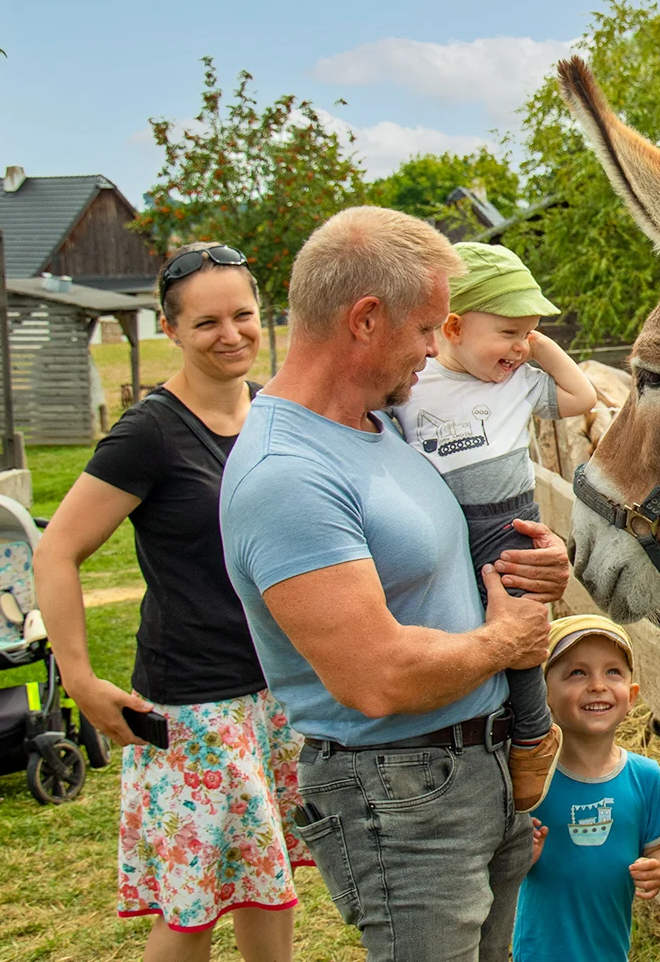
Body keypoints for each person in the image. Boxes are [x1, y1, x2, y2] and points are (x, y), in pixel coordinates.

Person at [218, 206, 571, 961]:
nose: (433, 351)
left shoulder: (381, 427)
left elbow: (440, 564)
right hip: (402, 787)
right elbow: (376, 677)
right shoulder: (288, 474)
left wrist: (535, 566)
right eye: (425, 329)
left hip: (472, 765)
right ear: (366, 319)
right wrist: (508, 641)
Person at [35, 241, 305, 962]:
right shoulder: (150, 433)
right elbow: (56, 552)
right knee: (192, 908)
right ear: (171, 329)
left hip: (275, 691)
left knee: (267, 885)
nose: (231, 334)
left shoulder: (275, 414)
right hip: (194, 703)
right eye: (206, 322)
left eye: (242, 315)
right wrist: (80, 679)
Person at [387, 242, 596, 812]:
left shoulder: (518, 382)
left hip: (509, 524)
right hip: (441, 523)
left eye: (529, 333)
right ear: (453, 327)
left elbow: (582, 396)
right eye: (508, 332)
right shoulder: (415, 383)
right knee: (460, 624)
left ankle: (531, 732)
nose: (520, 346)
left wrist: (539, 346)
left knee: (522, 625)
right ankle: (468, 729)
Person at [513, 616, 660, 962]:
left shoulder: (646, 778)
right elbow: (499, 864)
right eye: (577, 673)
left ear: (631, 696)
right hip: (539, 953)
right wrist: (519, 858)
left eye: (613, 672)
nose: (598, 686)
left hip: (610, 951)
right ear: (543, 695)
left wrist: (658, 869)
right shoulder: (530, 780)